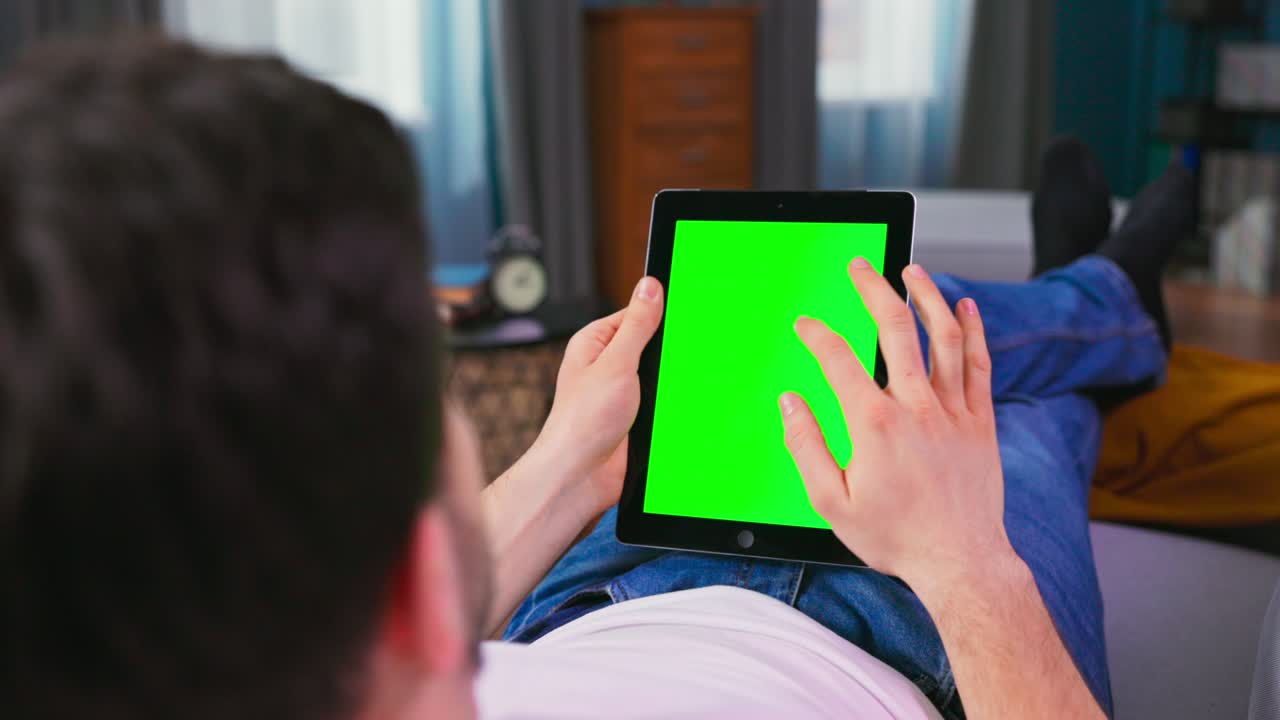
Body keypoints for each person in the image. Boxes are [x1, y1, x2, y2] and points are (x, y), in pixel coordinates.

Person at [0, 39, 1192, 720]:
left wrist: (572, 459)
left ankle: (1094, 291)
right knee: (973, 383)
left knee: (866, 326)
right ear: (417, 581)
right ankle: (1108, 296)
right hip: (914, 628)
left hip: (605, 568)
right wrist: (963, 561)